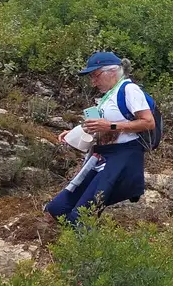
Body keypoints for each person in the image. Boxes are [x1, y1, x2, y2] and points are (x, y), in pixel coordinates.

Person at [45, 52, 156, 225]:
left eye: (95, 76)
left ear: (112, 72)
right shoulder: (109, 95)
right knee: (57, 209)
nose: (93, 82)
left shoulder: (129, 90)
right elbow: (102, 123)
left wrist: (110, 127)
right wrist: (76, 132)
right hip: (101, 156)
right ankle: (76, 240)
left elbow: (148, 122)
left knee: (82, 214)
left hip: (123, 156)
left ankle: (83, 245)